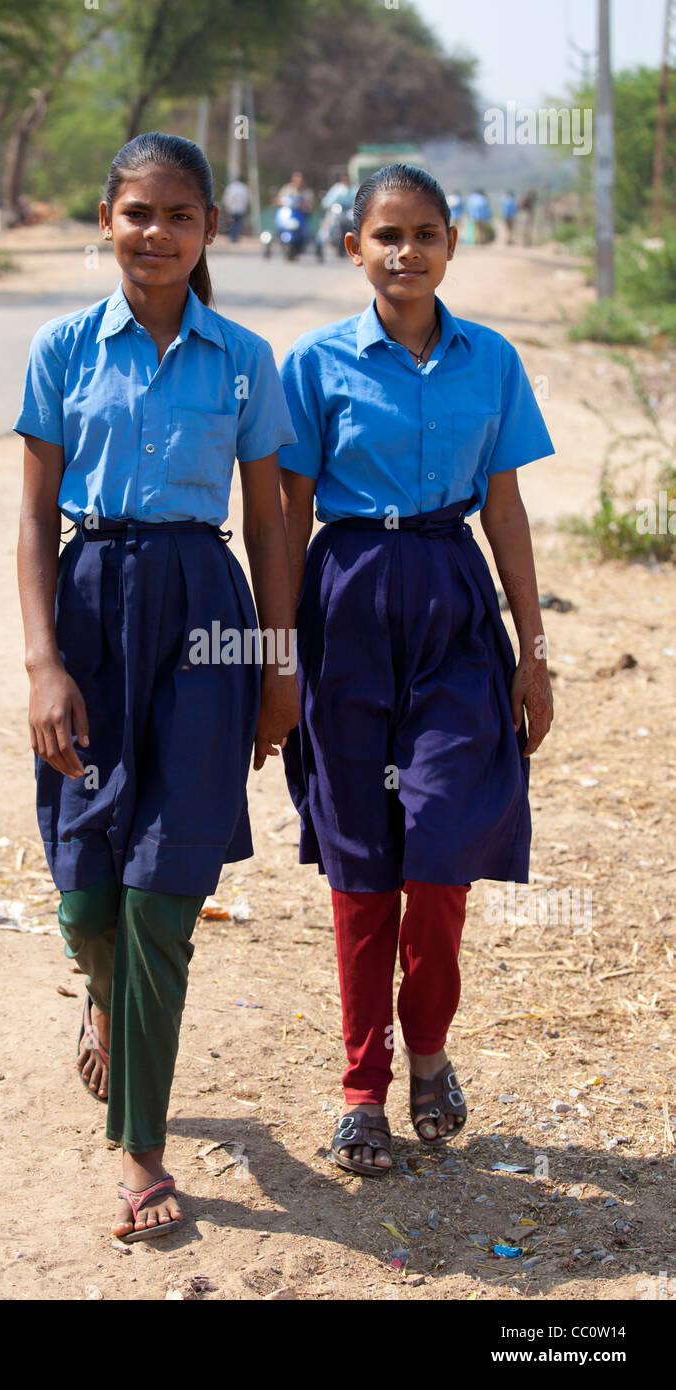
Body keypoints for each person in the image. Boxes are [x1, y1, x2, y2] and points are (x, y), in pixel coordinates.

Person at [13, 132, 299, 1240]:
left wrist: (276, 665)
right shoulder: (60, 348)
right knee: (89, 897)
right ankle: (100, 990)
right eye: (137, 211)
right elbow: (35, 516)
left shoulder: (241, 358)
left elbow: (270, 519)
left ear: (209, 231)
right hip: (89, 607)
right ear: (105, 218)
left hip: (204, 616)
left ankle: (139, 1150)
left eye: (179, 215)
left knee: (164, 894)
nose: (156, 232)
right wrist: (43, 661)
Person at [278, 163, 555, 1176]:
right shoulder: (312, 365)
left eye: (423, 233)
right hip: (344, 599)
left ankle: (427, 1047)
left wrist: (533, 654)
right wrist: (274, 657)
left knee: (440, 851)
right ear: (352, 247)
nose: (405, 251)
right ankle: (363, 1090)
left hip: (449, 600)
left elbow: (506, 510)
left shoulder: (490, 361)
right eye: (384, 235)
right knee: (361, 865)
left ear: (450, 245)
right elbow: (285, 513)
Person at [222, 175, 249, 242]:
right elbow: (246, 199)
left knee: (232, 222)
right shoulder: (244, 188)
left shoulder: (231, 187)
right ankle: (235, 236)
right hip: (241, 209)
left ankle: (232, 236)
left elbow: (227, 197)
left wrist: (227, 206)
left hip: (232, 208)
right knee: (238, 223)